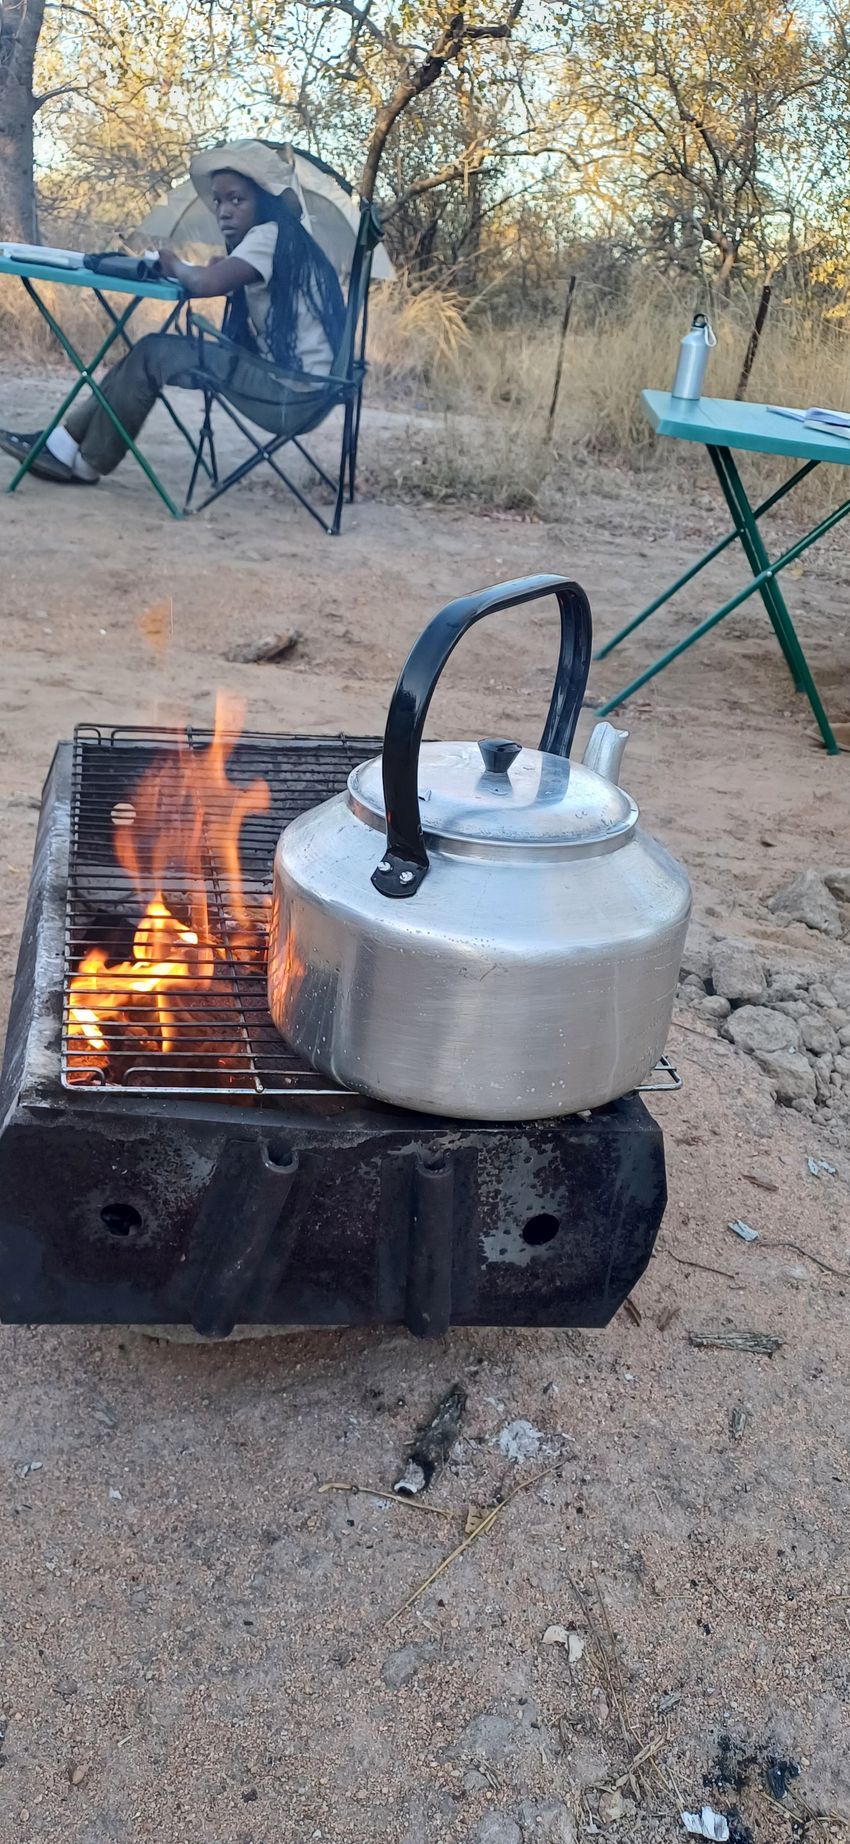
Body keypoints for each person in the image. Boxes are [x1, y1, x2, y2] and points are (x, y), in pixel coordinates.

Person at [0, 140, 346, 485]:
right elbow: (232, 277)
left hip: (291, 399)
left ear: (267, 203)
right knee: (148, 357)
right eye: (218, 200)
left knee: (153, 352)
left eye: (236, 199)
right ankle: (65, 447)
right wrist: (223, 268)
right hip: (310, 391)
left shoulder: (269, 235)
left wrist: (175, 264)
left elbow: (206, 283)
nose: (223, 210)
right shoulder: (286, 240)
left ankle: (80, 459)